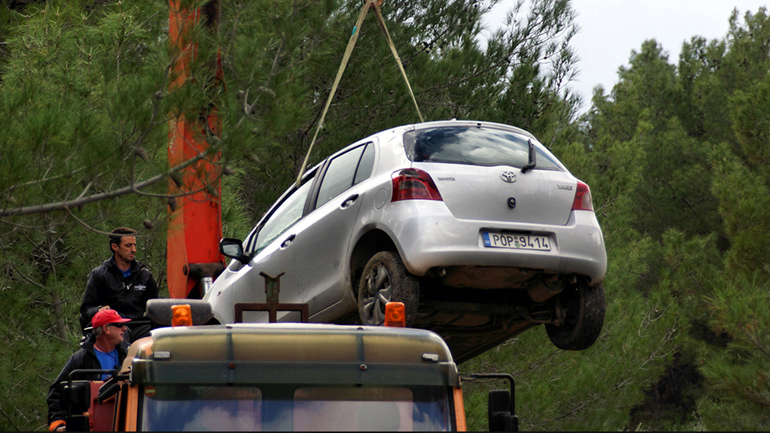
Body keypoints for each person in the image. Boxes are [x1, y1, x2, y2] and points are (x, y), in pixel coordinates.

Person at [47, 309, 131, 432]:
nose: (124, 328)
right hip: (93, 424)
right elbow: (57, 391)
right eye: (119, 325)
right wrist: (58, 422)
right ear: (106, 329)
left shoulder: (129, 355)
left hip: (126, 420)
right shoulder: (80, 360)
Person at [80, 227, 159, 343]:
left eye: (134, 245)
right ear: (115, 247)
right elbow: (86, 309)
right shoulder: (100, 275)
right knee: (117, 338)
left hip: (141, 327)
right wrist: (99, 310)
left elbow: (156, 307)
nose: (134, 250)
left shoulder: (145, 276)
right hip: (113, 327)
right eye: (128, 245)